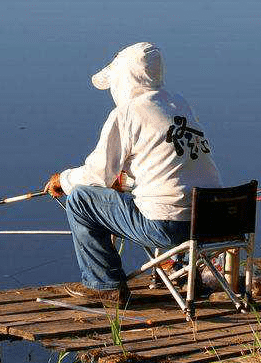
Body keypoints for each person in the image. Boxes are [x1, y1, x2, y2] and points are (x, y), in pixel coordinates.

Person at [45, 42, 221, 307]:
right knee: (137, 194)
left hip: (168, 227)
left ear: (124, 79)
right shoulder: (177, 103)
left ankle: (105, 285)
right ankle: (187, 270)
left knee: (81, 199)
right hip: (211, 223)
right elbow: (167, 166)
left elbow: (97, 175)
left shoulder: (126, 113)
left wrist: (63, 180)